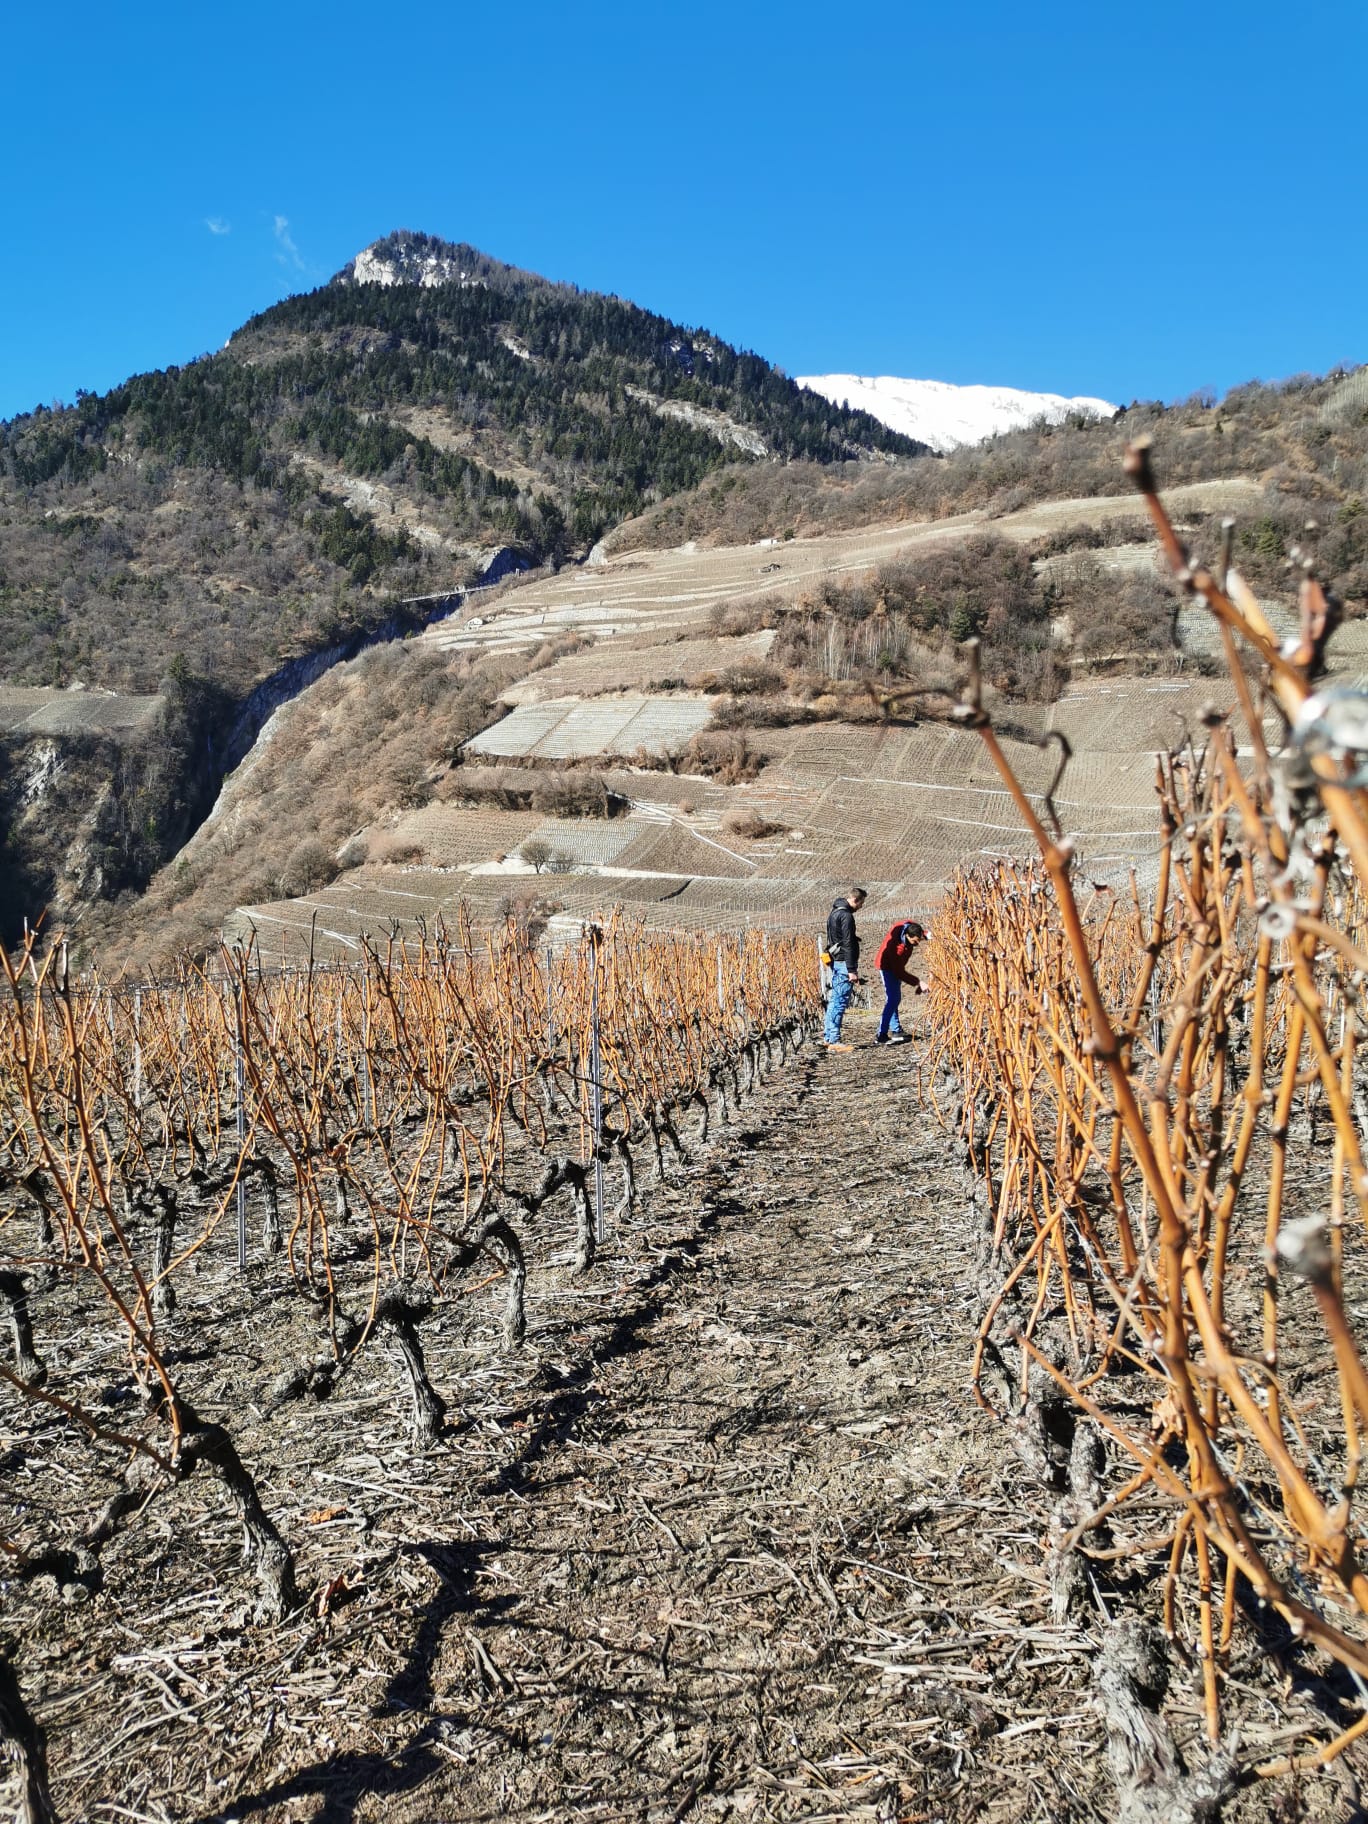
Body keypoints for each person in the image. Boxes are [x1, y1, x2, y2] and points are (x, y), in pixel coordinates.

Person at [823, 886, 867, 1050]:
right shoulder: (846, 916)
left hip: (837, 960)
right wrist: (851, 970)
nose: (861, 907)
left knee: (834, 1001)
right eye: (861, 903)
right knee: (840, 1002)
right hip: (843, 963)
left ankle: (828, 1036)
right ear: (856, 900)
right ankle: (834, 1041)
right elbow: (847, 943)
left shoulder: (834, 912)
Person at [874, 918, 927, 1045]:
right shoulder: (896, 948)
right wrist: (918, 982)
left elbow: (908, 923)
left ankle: (896, 1030)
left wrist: (927, 934)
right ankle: (881, 1034)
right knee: (893, 999)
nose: (917, 944)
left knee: (895, 998)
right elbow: (898, 972)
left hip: (897, 966)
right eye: (915, 941)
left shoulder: (907, 927)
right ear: (907, 936)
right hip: (887, 967)